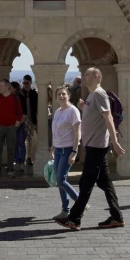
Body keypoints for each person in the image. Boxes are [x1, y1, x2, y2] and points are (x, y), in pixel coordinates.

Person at [56, 68, 125, 230]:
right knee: (105, 183)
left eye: (87, 74)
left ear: (96, 76)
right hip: (93, 145)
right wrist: (82, 107)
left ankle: (74, 219)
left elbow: (107, 117)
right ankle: (116, 217)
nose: (84, 76)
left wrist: (114, 141)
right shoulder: (92, 96)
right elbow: (93, 117)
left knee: (86, 183)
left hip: (97, 146)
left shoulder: (100, 94)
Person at [50, 87, 82, 220]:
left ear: (69, 95)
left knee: (60, 179)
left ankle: (80, 202)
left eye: (64, 94)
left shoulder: (73, 111)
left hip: (68, 149)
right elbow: (55, 131)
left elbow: (77, 133)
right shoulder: (57, 111)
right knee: (59, 181)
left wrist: (74, 152)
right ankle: (65, 210)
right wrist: (52, 147)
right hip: (58, 149)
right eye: (59, 94)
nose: (61, 96)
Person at [0, 79, 23, 179]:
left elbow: (20, 112)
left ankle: (10, 170)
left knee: (11, 149)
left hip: (11, 127)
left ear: (7, 87)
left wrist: (17, 122)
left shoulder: (15, 98)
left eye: (1, 86)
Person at [20, 75, 39, 174]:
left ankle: (29, 158)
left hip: (32, 120)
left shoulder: (34, 94)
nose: (25, 85)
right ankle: (23, 159)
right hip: (22, 120)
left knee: (33, 140)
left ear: (31, 83)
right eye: (24, 83)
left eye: (27, 83)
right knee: (23, 140)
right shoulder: (20, 94)